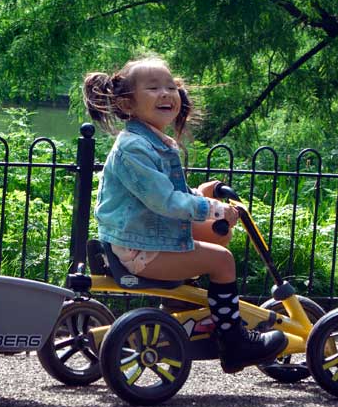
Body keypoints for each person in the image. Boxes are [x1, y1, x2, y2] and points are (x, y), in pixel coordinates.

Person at [83, 55, 287, 373]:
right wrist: (212, 207)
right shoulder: (134, 148)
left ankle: (179, 305)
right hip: (139, 248)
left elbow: (165, 193)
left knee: (215, 233)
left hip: (144, 235)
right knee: (222, 261)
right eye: (153, 88)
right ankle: (234, 343)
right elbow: (165, 201)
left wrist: (200, 194)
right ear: (126, 104)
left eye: (170, 86)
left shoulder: (151, 141)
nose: (166, 93)